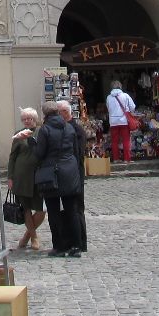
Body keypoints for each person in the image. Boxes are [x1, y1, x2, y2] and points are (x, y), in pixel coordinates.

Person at [32, 101, 83, 258]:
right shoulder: (69, 127)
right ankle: (76, 246)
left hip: (51, 173)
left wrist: (31, 143)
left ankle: (59, 247)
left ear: (45, 114)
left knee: (54, 211)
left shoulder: (45, 130)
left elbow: (39, 154)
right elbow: (75, 150)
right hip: (69, 171)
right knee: (71, 210)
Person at [5, 108, 46, 251]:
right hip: (21, 176)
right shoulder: (18, 134)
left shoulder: (42, 132)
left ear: (35, 119)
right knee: (26, 208)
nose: (27, 121)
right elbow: (12, 157)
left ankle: (26, 236)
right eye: (25, 119)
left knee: (41, 211)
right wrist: (10, 177)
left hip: (38, 176)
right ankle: (34, 237)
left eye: (30, 118)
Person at [57, 99, 88, 253]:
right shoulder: (64, 129)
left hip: (75, 174)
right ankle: (70, 241)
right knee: (69, 210)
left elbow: (78, 154)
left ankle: (81, 242)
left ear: (65, 112)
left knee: (77, 209)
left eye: (58, 112)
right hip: (69, 174)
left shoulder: (76, 130)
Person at [106, 80, 136, 163]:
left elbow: (108, 108)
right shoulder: (125, 95)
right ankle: (127, 159)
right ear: (120, 86)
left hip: (113, 121)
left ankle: (116, 158)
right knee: (126, 140)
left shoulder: (109, 97)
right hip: (124, 121)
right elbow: (132, 106)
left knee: (114, 141)